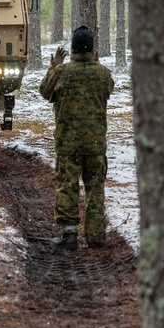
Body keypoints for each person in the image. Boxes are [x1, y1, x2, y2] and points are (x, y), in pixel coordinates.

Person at [38, 26, 114, 250]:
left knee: (67, 186)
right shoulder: (102, 73)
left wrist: (54, 68)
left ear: (72, 48)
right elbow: (108, 89)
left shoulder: (63, 73)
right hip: (95, 143)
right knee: (95, 189)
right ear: (92, 49)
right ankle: (96, 236)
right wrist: (96, 64)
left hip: (68, 143)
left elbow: (44, 91)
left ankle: (69, 235)